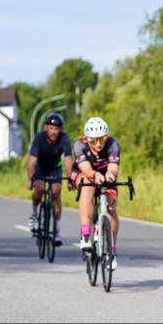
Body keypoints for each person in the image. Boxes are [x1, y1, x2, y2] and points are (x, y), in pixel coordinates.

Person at [69, 117, 121, 269]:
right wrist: (95, 175)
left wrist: (111, 175)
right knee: (88, 184)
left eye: (101, 140)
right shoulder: (79, 145)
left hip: (105, 174)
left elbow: (113, 167)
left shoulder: (113, 144)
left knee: (111, 207)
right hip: (83, 173)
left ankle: (112, 251)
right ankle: (86, 235)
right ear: (87, 139)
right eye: (94, 141)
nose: (98, 144)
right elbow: (86, 168)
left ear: (106, 138)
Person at [26, 112, 73, 246]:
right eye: (51, 128)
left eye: (57, 129)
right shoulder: (39, 138)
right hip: (40, 167)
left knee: (56, 193)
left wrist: (71, 179)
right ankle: (34, 215)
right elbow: (32, 161)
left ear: (60, 129)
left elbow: (68, 160)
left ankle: (57, 231)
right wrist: (30, 179)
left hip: (55, 168)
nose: (54, 131)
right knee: (39, 188)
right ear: (46, 127)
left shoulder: (64, 138)